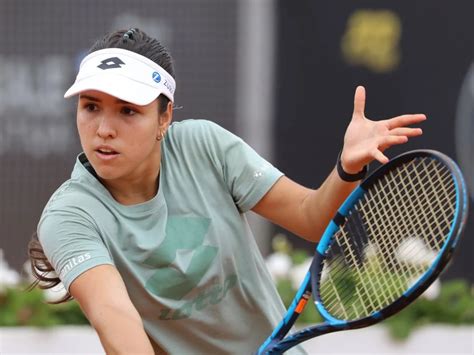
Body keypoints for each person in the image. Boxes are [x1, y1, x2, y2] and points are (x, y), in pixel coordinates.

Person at [28, 28, 426, 354]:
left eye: (128, 110)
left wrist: (347, 167)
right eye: (91, 106)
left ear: (164, 117)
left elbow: (311, 218)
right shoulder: (70, 216)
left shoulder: (205, 145)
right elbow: (116, 320)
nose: (103, 130)